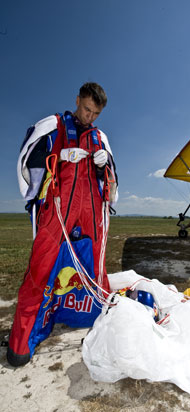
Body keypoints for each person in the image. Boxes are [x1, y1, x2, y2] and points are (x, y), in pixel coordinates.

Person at [7, 82, 118, 367]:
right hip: (57, 210)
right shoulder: (53, 126)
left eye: (95, 114)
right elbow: (28, 163)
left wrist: (102, 165)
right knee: (40, 270)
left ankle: (100, 325)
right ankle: (21, 343)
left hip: (91, 213)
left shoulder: (99, 138)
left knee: (96, 267)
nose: (89, 117)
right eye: (86, 109)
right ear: (77, 100)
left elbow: (110, 184)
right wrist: (57, 158)